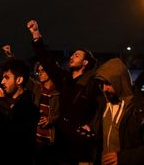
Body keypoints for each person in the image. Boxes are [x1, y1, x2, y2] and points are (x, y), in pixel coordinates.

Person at [27, 19, 101, 164]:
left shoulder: (92, 84)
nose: (72, 57)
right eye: (72, 54)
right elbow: (47, 60)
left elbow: (100, 109)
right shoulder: (64, 80)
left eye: (77, 55)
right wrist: (36, 35)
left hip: (81, 143)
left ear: (85, 63)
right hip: (62, 141)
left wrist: (92, 126)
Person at [93, 58, 144, 165]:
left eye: (108, 83)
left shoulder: (143, 109)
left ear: (120, 81)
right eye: (101, 83)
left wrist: (123, 158)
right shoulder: (102, 104)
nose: (104, 88)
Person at [0, 58, 40, 164]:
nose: (2, 82)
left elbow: (15, 131)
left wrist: (2, 102)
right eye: (2, 77)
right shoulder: (8, 100)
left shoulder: (28, 106)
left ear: (19, 80)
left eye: (7, 77)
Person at [32, 62, 60, 165]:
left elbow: (64, 114)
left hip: (51, 141)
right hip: (36, 140)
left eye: (43, 70)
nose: (40, 73)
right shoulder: (37, 89)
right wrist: (10, 57)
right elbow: (22, 76)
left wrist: (51, 120)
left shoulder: (59, 93)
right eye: (38, 71)